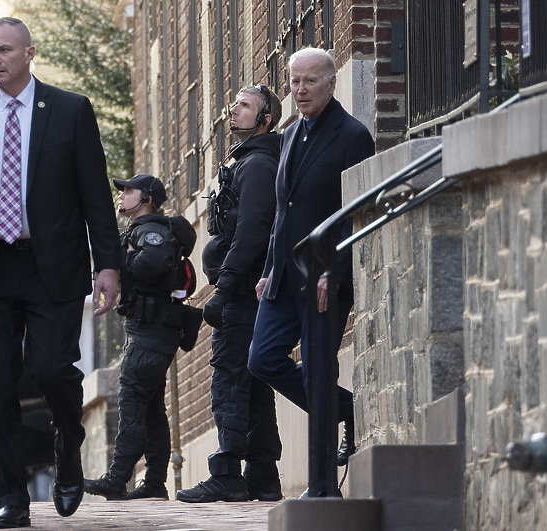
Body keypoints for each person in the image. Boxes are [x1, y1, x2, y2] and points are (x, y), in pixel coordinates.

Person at [0, 17, 121, 529]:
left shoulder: (69, 110)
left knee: (53, 369)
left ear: (29, 54)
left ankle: (69, 441)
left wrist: (107, 263)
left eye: (4, 51)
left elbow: (95, 195)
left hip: (51, 267)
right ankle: (11, 499)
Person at [246, 47, 375, 497]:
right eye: (294, 81)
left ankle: (322, 487)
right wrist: (269, 268)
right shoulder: (289, 135)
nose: (300, 90)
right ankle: (346, 409)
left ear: (331, 82)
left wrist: (334, 271)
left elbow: (354, 212)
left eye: (310, 81)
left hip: (324, 280)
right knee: (261, 358)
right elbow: (285, 212)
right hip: (283, 276)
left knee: (319, 371)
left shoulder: (353, 136)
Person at [176, 85, 283, 503]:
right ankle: (263, 475)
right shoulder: (246, 162)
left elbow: (254, 228)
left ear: (265, 119)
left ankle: (227, 473)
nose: (232, 111)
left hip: (242, 292)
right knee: (253, 384)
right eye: (233, 104)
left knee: (229, 380)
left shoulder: (256, 165)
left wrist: (223, 287)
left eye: (244, 106)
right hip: (243, 289)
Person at [84, 174, 197, 501]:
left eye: (129, 191)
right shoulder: (140, 231)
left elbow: (153, 262)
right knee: (151, 410)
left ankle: (117, 478)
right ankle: (154, 482)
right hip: (149, 332)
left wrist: (124, 256)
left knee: (133, 401)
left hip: (152, 333)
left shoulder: (151, 232)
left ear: (146, 198)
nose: (122, 196)